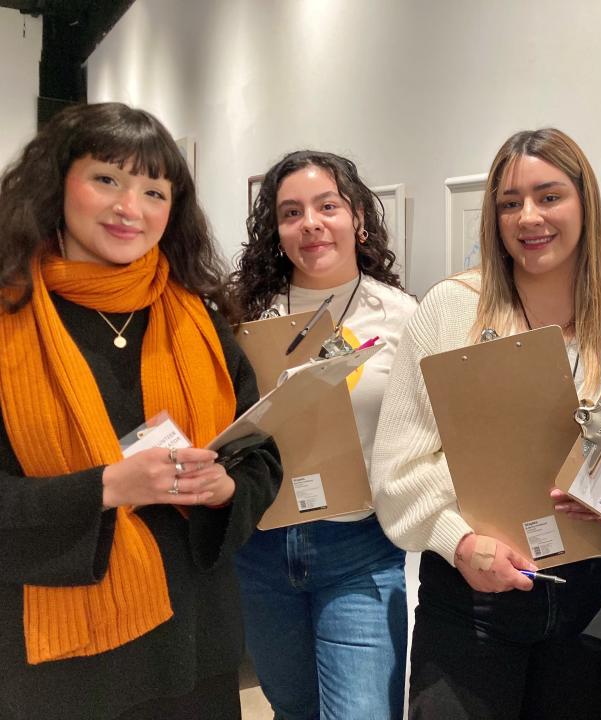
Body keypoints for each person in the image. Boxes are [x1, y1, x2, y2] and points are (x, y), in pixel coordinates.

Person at [0, 102, 282, 720]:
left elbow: (260, 451)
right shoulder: (8, 321)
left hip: (195, 652)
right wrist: (104, 488)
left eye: (154, 190)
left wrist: (226, 486)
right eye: (107, 179)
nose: (131, 208)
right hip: (61, 671)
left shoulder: (199, 316)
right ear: (57, 183)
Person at [370, 127, 601, 719]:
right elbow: (397, 471)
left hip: (589, 600)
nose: (529, 217)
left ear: (585, 204)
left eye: (549, 196)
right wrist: (461, 542)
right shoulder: (449, 311)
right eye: (509, 202)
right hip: (472, 596)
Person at [231, 150, 416, 720]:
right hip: (261, 546)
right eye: (291, 212)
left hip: (358, 549)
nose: (310, 223)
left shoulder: (405, 318)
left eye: (327, 206)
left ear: (358, 217)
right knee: (291, 708)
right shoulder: (245, 316)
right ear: (276, 230)